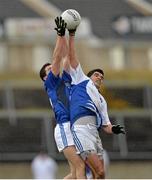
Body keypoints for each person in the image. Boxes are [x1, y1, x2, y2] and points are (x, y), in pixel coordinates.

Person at [67, 28, 125, 179]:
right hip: (81, 129)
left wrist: (114, 129)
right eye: (96, 74)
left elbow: (106, 125)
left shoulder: (102, 100)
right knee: (98, 170)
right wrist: (71, 35)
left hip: (94, 133)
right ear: (89, 76)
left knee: (101, 175)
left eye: (102, 76)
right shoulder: (81, 80)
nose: (100, 77)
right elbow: (72, 57)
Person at [39, 17, 86, 179]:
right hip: (64, 126)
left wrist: (68, 34)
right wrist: (60, 35)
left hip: (74, 125)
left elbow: (65, 56)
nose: (52, 69)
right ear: (45, 78)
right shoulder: (51, 83)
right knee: (80, 165)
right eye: (49, 70)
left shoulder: (64, 78)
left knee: (74, 173)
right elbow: (57, 58)